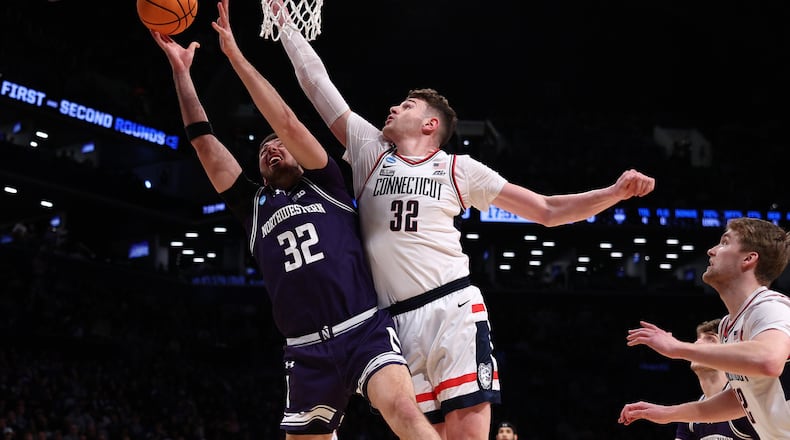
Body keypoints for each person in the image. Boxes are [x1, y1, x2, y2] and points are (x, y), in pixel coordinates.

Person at [266, 5, 656, 439]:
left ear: (431, 123)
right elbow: (317, 84)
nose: (393, 107)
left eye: (407, 104)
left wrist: (613, 193)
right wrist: (285, 24)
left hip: (451, 307)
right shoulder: (369, 149)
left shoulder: (459, 168)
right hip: (393, 323)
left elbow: (546, 211)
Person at [150, 2, 441, 439]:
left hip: (361, 328)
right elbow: (204, 144)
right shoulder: (254, 205)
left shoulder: (325, 179)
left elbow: (284, 120)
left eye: (279, 145)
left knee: (402, 408)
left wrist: (235, 56)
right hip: (304, 350)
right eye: (263, 150)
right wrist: (181, 72)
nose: (272, 149)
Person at [619, 217, 790, 439]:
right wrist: (667, 414)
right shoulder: (730, 324)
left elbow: (768, 361)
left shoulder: (769, 306)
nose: (711, 250)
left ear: (748, 259)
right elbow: (742, 400)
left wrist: (678, 348)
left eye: (725, 242)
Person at [674, 319, 758, 440]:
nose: (697, 343)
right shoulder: (690, 419)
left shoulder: (745, 405)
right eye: (698, 339)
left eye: (710, 339)